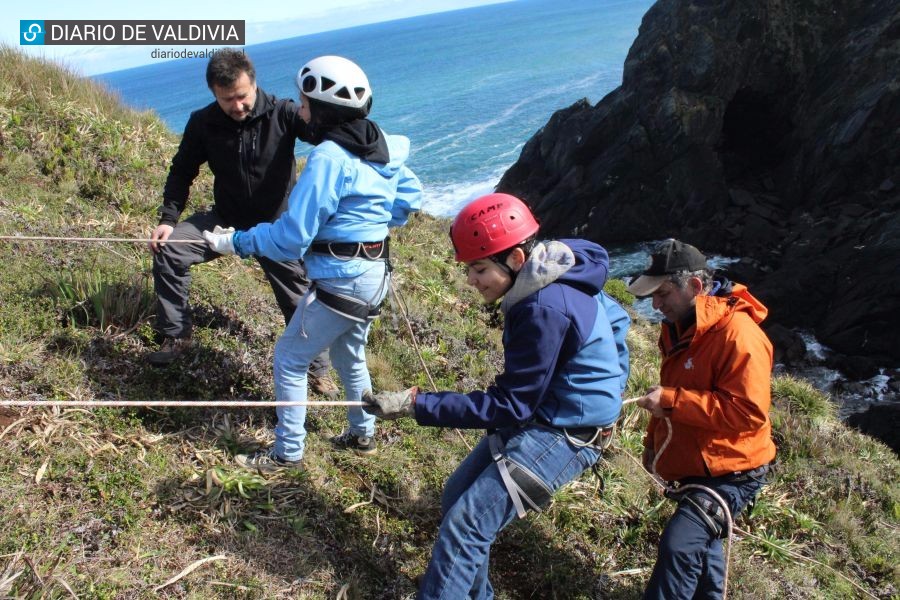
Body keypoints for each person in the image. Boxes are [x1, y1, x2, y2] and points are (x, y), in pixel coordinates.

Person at [363, 193, 630, 599]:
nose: (471, 281)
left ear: (517, 260)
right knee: (457, 500)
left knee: (466, 527)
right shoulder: (565, 270)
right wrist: (606, 389)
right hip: (551, 417)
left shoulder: (544, 305)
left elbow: (510, 404)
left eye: (480, 268)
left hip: (564, 434)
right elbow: (618, 321)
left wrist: (418, 405)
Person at [203, 55, 422, 470]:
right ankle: (362, 434)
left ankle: (287, 454)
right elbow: (410, 197)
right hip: (374, 273)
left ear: (324, 109)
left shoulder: (330, 158)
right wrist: (371, 224)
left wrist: (236, 242)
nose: (300, 112)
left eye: (305, 105)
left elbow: (291, 238)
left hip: (342, 278)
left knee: (289, 358)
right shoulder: (382, 144)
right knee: (349, 357)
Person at [147, 48, 334, 395]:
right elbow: (182, 171)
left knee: (299, 299)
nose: (236, 105)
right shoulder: (203, 122)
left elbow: (330, 139)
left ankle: (317, 369)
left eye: (242, 96)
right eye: (226, 99)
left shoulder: (284, 113)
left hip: (277, 227)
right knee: (170, 250)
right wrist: (168, 219)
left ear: (255, 84)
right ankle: (176, 337)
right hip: (226, 220)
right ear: (214, 94)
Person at [627, 239, 776, 599]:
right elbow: (671, 391)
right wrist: (653, 444)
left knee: (680, 545)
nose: (655, 304)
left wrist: (672, 403)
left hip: (734, 472)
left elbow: (748, 413)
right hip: (699, 467)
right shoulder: (679, 326)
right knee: (703, 553)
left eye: (662, 293)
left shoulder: (739, 335)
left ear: (695, 286)